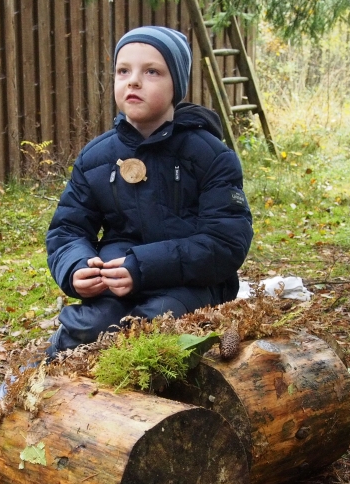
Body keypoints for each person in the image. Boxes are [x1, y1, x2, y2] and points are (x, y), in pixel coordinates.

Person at [44, 26, 253, 355]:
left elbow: (225, 243)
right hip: (116, 278)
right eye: (123, 70)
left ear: (176, 86)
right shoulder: (96, 158)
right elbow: (68, 228)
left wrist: (142, 267)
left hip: (192, 284)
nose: (134, 81)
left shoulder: (211, 156)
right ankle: (44, 378)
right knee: (89, 328)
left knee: (150, 330)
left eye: (152, 71)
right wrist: (76, 266)